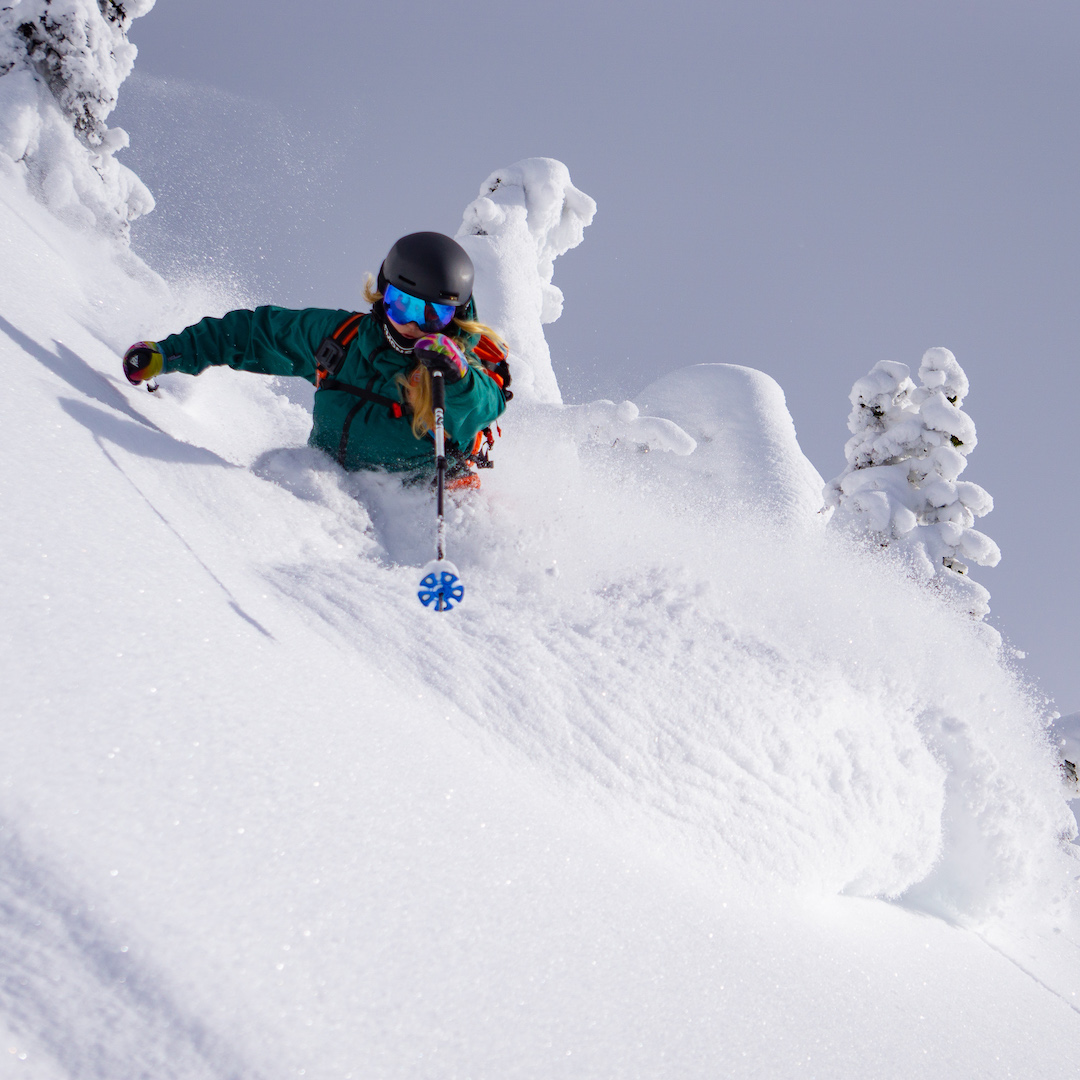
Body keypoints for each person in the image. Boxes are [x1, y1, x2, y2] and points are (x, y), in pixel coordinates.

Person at [122, 232, 510, 479]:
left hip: (416, 521)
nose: (413, 324)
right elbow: (255, 334)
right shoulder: (342, 340)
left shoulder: (452, 369)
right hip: (327, 509)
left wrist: (455, 375)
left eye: (432, 314)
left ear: (454, 317)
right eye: (401, 304)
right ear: (382, 292)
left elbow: (482, 405)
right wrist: (168, 353)